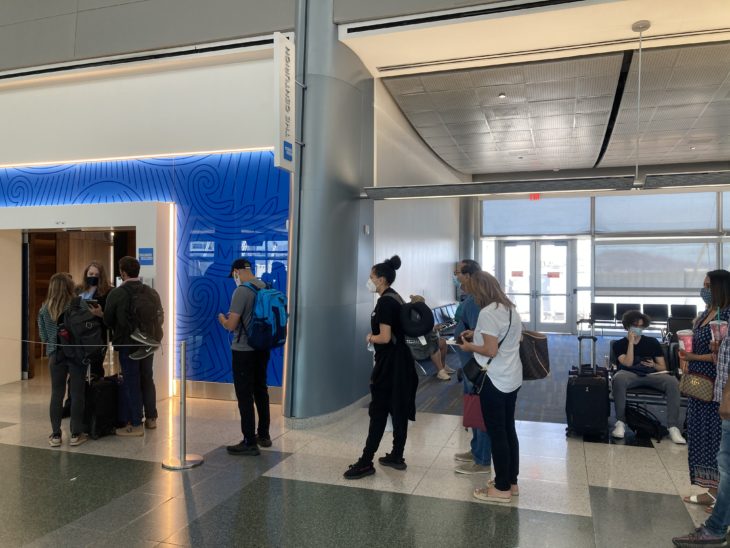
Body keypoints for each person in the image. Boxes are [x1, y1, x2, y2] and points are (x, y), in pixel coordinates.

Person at [344, 255, 418, 479]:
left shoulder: (385, 302)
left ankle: (366, 461)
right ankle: (397, 455)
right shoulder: (396, 298)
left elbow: (385, 337)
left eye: (371, 277)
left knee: (379, 411)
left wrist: (370, 337)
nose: (369, 281)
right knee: (399, 409)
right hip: (402, 361)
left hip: (390, 364)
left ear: (382, 280)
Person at [457, 271, 522, 503]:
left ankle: (501, 488)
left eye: (472, 291)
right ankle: (511, 482)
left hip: (494, 380)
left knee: (497, 433)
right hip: (512, 377)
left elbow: (490, 350)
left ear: (480, 290)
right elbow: (503, 339)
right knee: (508, 430)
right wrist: (476, 334)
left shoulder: (487, 313)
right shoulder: (509, 309)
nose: (471, 296)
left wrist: (469, 348)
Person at [672, 336, 730, 547]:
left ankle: (716, 528)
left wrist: (728, 395)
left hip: (724, 395)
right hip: (714, 390)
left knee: (726, 464)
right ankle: (718, 519)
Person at [681, 270, 730, 511]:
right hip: (698, 386)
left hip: (718, 385)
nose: (704, 290)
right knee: (700, 438)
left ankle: (722, 496)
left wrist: (694, 355)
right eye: (703, 285)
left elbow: (722, 355)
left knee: (718, 441)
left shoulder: (727, 315)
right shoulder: (704, 315)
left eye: (709, 286)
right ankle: (709, 491)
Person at [96, 256, 159, 436]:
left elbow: (108, 320)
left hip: (127, 344)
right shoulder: (151, 292)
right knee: (147, 378)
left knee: (132, 381)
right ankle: (151, 419)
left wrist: (100, 314)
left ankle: (136, 424)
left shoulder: (117, 293)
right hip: (149, 343)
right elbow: (159, 316)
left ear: (122, 273)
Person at [218, 258, 272, 456]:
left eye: (233, 274)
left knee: (244, 394)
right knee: (261, 390)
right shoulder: (264, 286)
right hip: (263, 348)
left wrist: (222, 319)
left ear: (237, 271)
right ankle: (264, 435)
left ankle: (249, 440)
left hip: (243, 350)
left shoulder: (241, 291)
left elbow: (232, 325)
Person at [611, 309, 686, 444]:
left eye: (641, 326)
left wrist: (653, 365)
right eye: (635, 326)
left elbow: (663, 368)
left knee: (672, 381)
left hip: (651, 374)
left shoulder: (652, 342)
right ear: (627, 326)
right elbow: (627, 363)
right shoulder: (618, 344)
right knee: (619, 378)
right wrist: (631, 343)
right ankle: (621, 422)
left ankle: (673, 426)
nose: (638, 329)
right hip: (630, 375)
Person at [37, 273, 88, 447]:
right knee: (76, 393)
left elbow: (43, 337)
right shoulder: (78, 304)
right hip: (76, 354)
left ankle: (56, 435)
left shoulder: (44, 309)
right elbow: (86, 329)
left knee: (56, 393)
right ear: (69, 286)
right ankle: (76, 434)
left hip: (55, 355)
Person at [453, 259, 492, 476]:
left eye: (458, 272)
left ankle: (482, 458)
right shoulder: (471, 299)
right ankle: (476, 449)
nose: (455, 276)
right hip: (469, 363)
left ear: (468, 275)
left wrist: (469, 340)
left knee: (479, 409)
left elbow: (482, 336)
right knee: (472, 408)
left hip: (476, 365)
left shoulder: (477, 302)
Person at [76, 261, 112, 378]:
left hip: (98, 335)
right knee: (78, 368)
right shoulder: (78, 290)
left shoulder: (109, 292)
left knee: (96, 367)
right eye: (90, 274)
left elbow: (112, 316)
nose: (93, 277)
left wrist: (101, 314)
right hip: (79, 333)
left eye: (96, 275)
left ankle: (96, 393)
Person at [406, 295, 453, 381]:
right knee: (433, 345)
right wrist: (433, 329)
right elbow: (417, 330)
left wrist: (434, 328)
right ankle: (440, 371)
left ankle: (443, 366)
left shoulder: (420, 313)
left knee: (443, 342)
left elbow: (423, 329)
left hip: (422, 339)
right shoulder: (410, 315)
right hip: (414, 342)